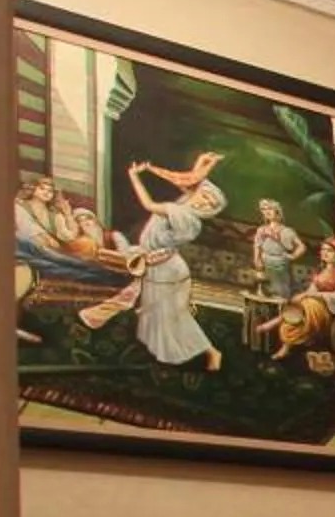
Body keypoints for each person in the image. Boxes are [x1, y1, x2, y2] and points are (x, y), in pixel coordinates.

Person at [78, 152, 228, 370]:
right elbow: (187, 183)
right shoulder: (185, 204)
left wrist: (134, 177)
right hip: (160, 264)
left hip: (166, 269)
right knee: (153, 309)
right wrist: (202, 164)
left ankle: (211, 352)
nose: (206, 203)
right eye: (206, 196)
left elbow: (148, 204)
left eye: (211, 204)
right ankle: (156, 348)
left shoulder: (184, 215)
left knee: (173, 315)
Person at [253, 236, 335, 356]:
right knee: (297, 309)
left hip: (326, 308)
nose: (325, 253)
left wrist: (317, 296)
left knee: (308, 305)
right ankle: (285, 345)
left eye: (329, 251)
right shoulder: (320, 272)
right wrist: (302, 296)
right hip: (311, 304)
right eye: (323, 250)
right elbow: (311, 290)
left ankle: (275, 324)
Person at [248, 197, 306, 304]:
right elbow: (257, 246)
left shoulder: (287, 231)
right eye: (264, 210)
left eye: (270, 209)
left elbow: (302, 246)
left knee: (280, 293)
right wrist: (257, 259)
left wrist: (293, 256)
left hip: (280, 265)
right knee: (263, 289)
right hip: (265, 263)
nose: (267, 212)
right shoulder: (262, 230)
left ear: (277, 212)